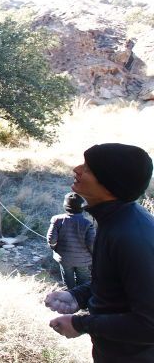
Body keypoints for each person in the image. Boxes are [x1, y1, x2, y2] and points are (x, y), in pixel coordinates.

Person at [45, 143, 154, 362]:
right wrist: (78, 296)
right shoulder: (115, 220)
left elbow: (149, 324)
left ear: (110, 184)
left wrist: (80, 324)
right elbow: (116, 284)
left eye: (88, 168)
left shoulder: (130, 235)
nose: (77, 169)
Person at [47, 192, 95, 289]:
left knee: (68, 284)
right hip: (84, 260)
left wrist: (55, 249)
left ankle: (69, 299)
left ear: (65, 206)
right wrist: (94, 256)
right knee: (83, 285)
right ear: (82, 208)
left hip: (64, 259)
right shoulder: (87, 224)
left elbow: (51, 239)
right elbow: (92, 244)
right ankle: (81, 302)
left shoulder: (57, 219)